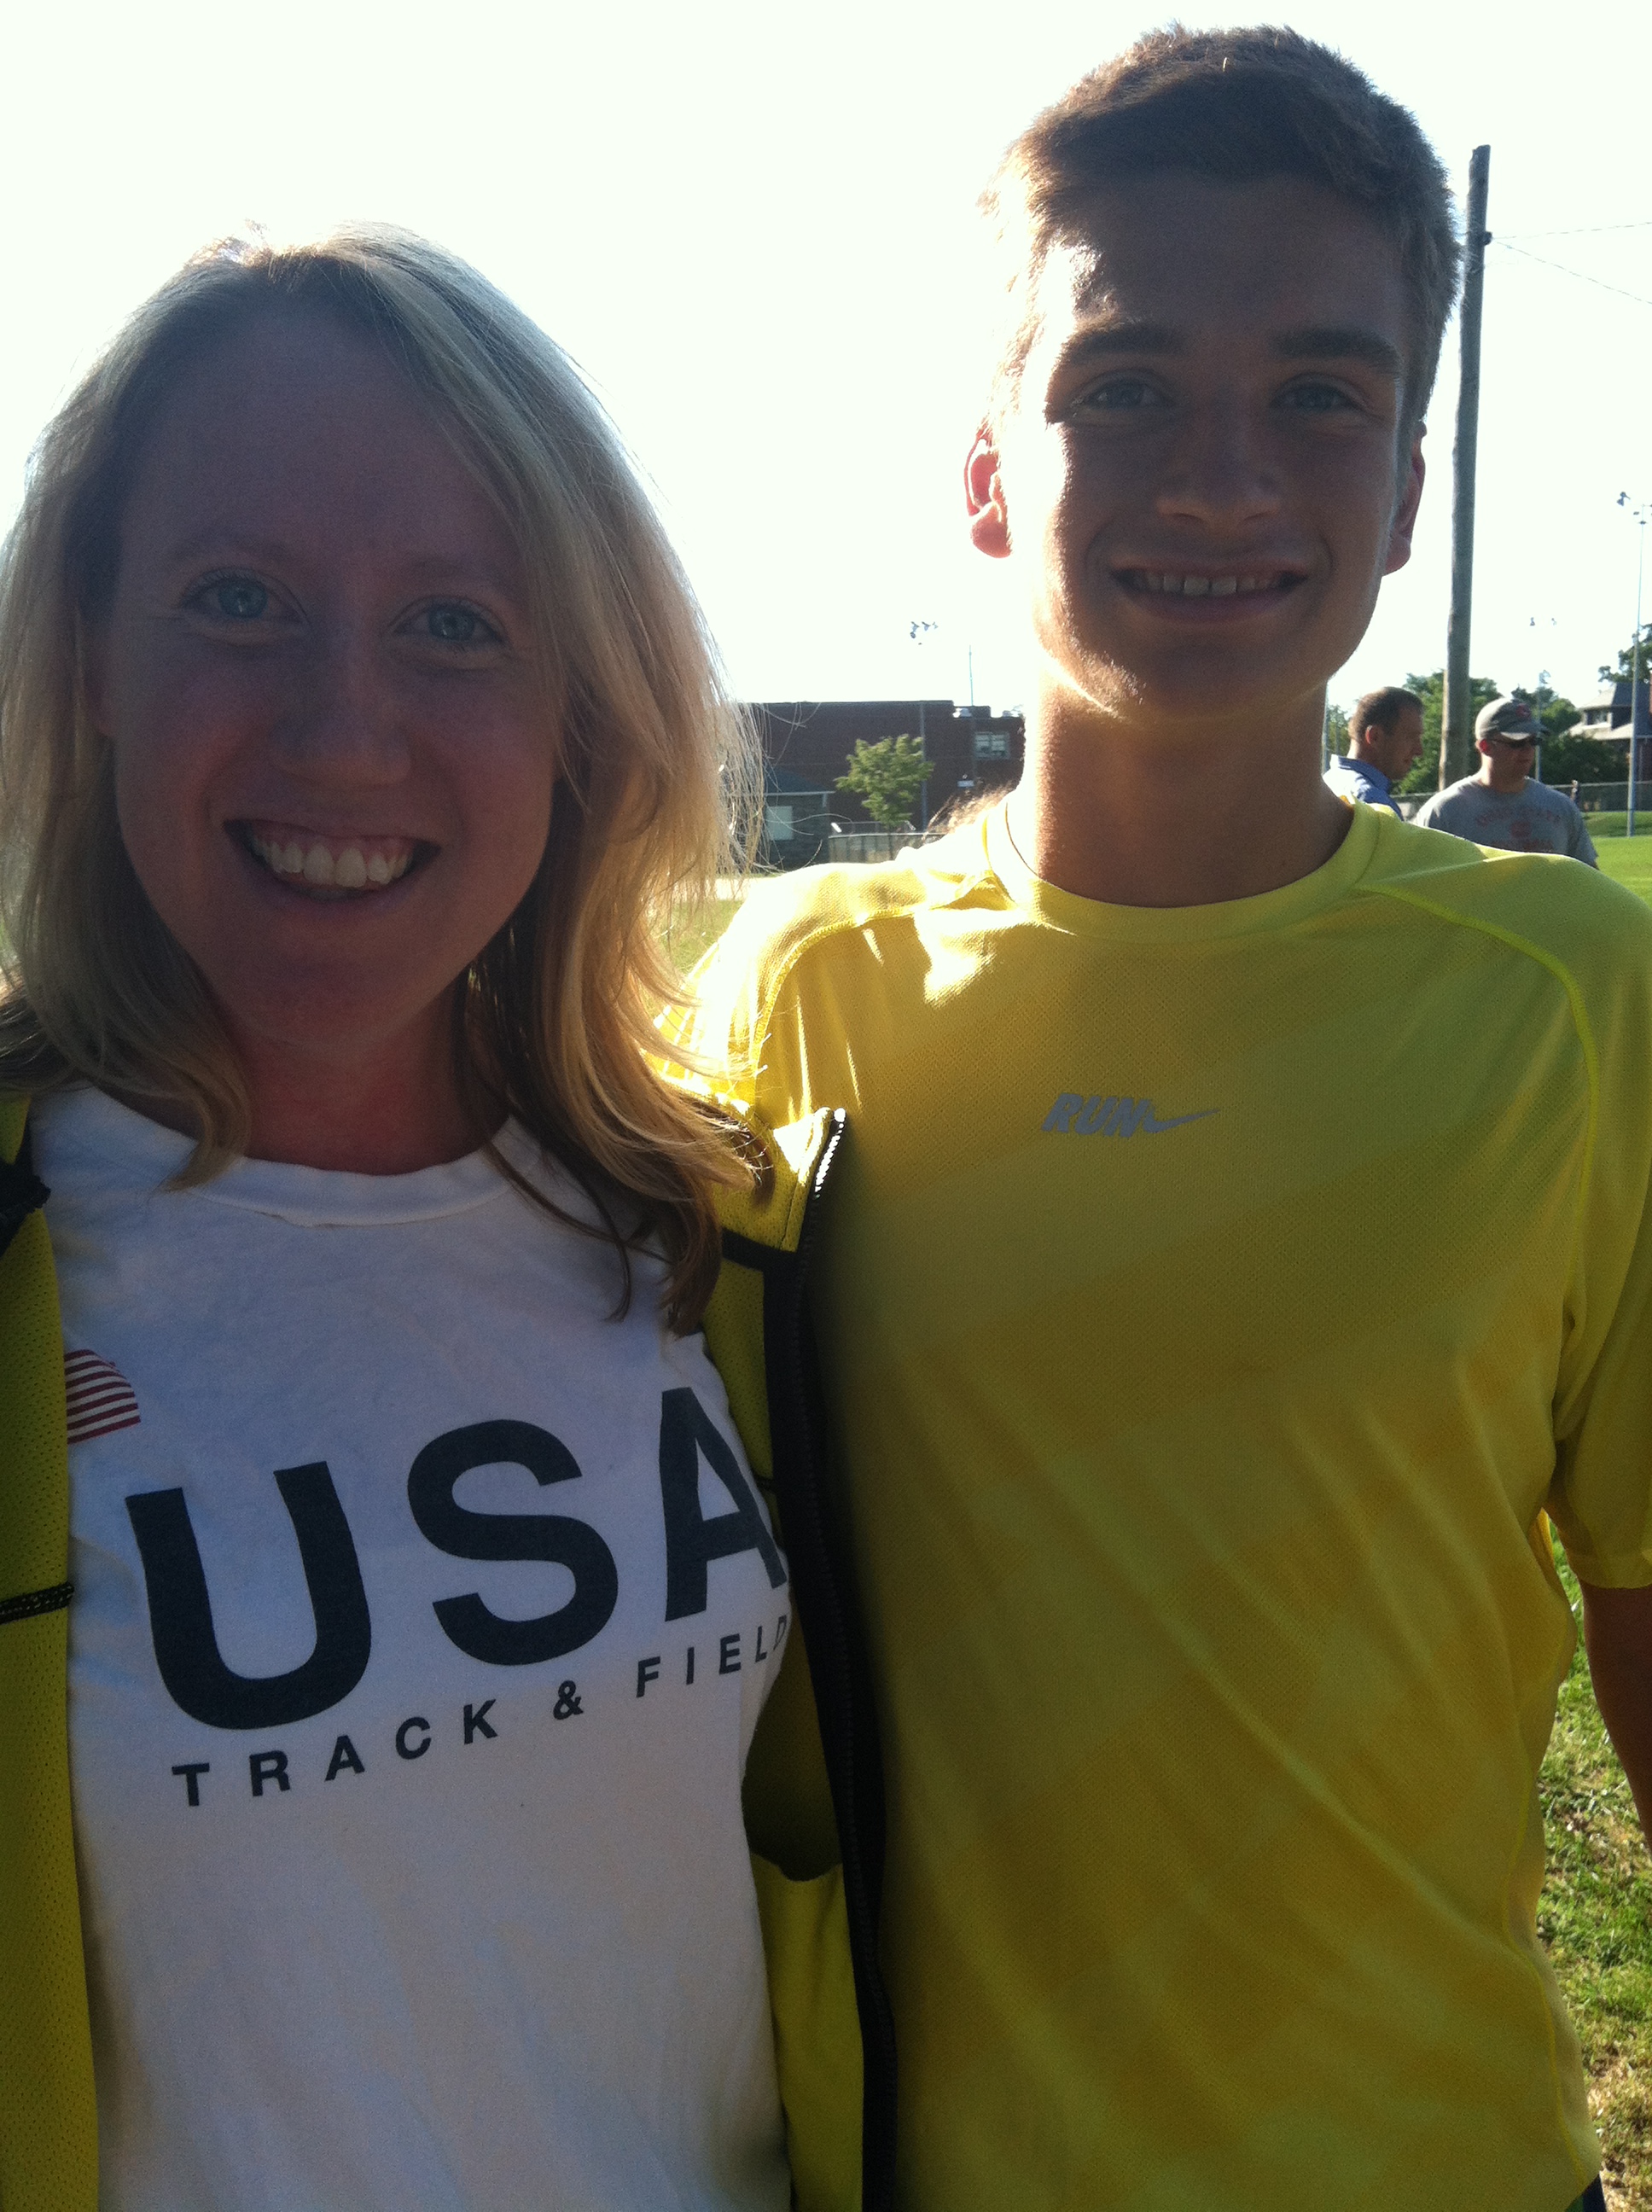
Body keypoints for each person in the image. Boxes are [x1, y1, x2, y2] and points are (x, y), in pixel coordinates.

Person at [679, 28, 1649, 2212]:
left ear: (1405, 489)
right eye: (1120, 387)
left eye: (1317, 395)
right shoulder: (767, 1000)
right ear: (983, 475)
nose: (1221, 481)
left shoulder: (1573, 1008)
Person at [0, 230, 875, 2212]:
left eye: (456, 625)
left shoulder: (719, 1242)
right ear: (92, 657)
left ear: (579, 710)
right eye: (236, 599)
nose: (341, 728)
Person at [1416, 694, 1599, 863]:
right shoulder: (1444, 812)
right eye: (1517, 742)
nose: (1528, 750)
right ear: (1485, 746)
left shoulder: (1561, 807)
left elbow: (1588, 878)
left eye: (1534, 741)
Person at [1323, 683, 1423, 814]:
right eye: (1410, 738)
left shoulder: (1328, 782)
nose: (1419, 751)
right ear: (1375, 737)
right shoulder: (1373, 801)